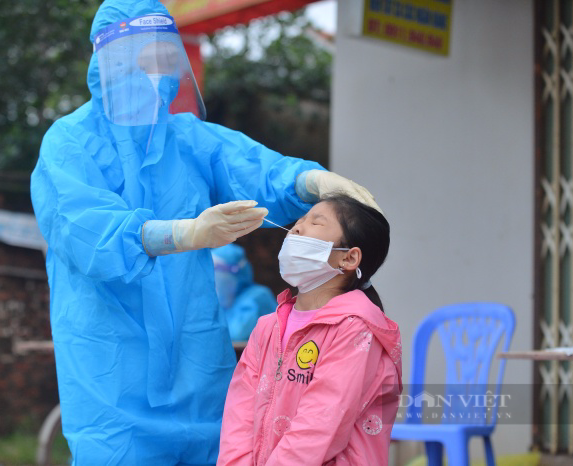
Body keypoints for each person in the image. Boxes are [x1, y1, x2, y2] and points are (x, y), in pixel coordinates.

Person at [29, 0, 381, 463]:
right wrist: (182, 234)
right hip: (113, 378)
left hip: (199, 374)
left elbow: (254, 168)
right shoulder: (68, 142)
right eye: (142, 59)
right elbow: (86, 231)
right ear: (108, 60)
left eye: (163, 58)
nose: (155, 73)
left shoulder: (187, 137)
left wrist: (311, 182)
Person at [217, 195, 402, 465]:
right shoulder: (268, 326)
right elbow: (239, 412)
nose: (296, 229)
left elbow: (321, 424)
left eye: (316, 222)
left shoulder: (356, 329)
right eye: (299, 222)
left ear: (348, 258)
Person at [212, 244, 277, 341]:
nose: (213, 276)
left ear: (235, 272)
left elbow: (238, 334)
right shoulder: (225, 302)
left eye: (217, 269)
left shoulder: (258, 296)